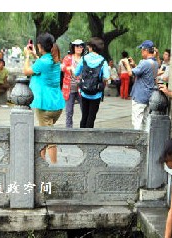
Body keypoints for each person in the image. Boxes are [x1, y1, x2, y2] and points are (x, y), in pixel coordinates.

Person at [23, 32, 65, 163]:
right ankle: (41, 162)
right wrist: (35, 55)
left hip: (44, 106)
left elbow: (26, 71)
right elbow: (42, 64)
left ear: (40, 46)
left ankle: (53, 167)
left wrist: (27, 56)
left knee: (49, 138)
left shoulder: (43, 62)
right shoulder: (55, 60)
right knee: (44, 134)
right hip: (56, 105)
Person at [75, 37, 110, 129]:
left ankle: (81, 135)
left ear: (90, 47)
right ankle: (89, 135)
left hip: (84, 92)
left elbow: (76, 73)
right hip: (96, 94)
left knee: (84, 116)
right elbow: (107, 77)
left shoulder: (83, 59)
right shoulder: (103, 61)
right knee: (91, 117)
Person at [130, 40, 159, 131]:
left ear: (146, 50)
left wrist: (126, 64)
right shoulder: (155, 63)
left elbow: (131, 73)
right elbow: (144, 72)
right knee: (146, 120)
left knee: (137, 120)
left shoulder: (144, 63)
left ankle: (137, 139)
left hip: (140, 96)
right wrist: (134, 65)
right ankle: (147, 139)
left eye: (142, 50)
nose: (141, 52)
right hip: (149, 95)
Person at [61, 39, 84, 128]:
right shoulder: (68, 58)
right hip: (69, 88)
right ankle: (68, 130)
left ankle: (84, 128)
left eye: (81, 46)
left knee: (84, 110)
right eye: (77, 46)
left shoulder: (84, 59)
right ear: (73, 47)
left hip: (82, 88)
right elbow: (62, 67)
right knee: (69, 111)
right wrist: (69, 68)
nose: (79, 48)